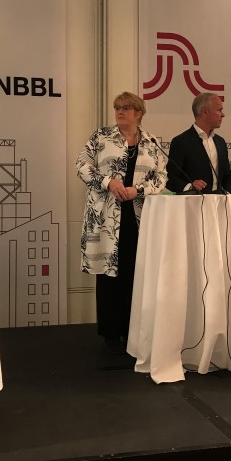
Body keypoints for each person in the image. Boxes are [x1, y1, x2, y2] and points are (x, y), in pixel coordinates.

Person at [76, 92, 167, 353]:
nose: (120, 112)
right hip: (107, 216)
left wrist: (138, 189)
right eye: (117, 107)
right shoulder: (101, 137)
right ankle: (110, 333)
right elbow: (82, 166)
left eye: (126, 108)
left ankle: (132, 329)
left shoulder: (151, 142)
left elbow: (161, 177)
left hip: (139, 215)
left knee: (135, 272)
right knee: (109, 273)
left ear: (138, 113)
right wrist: (108, 182)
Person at [167, 93, 231, 194]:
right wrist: (190, 187)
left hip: (220, 202)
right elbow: (170, 177)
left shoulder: (220, 142)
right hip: (193, 201)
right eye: (219, 110)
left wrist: (227, 195)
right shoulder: (181, 142)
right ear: (205, 112)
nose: (223, 115)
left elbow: (227, 175)